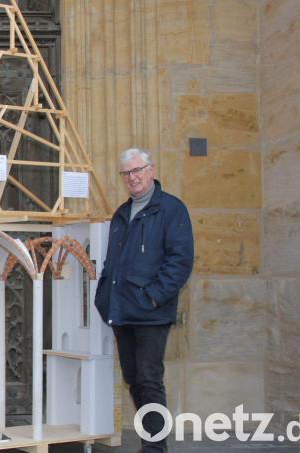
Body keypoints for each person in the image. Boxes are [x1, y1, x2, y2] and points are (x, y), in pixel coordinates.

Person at [94, 148, 194, 453]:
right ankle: (151, 441)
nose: (133, 178)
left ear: (151, 170)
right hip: (121, 310)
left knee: (150, 379)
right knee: (134, 378)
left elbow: (180, 261)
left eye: (138, 170)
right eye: (126, 173)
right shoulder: (121, 214)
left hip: (151, 312)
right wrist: (104, 297)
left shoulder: (172, 209)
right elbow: (114, 261)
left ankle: (155, 447)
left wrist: (153, 297)